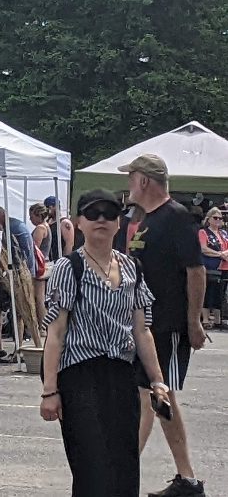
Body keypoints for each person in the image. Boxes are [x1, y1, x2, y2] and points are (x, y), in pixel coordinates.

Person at [41, 189, 169, 497]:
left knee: (124, 463)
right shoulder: (68, 268)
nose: (101, 219)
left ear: (118, 222)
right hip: (80, 376)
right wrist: (49, 390)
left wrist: (158, 381)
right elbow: (55, 333)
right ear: (79, 222)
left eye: (110, 213)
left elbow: (142, 331)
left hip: (122, 374)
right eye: (93, 213)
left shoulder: (132, 268)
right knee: (91, 465)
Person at [123, 154, 207, 496]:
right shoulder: (146, 220)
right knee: (157, 398)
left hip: (167, 323)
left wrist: (193, 322)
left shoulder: (176, 217)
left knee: (153, 396)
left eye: (131, 177)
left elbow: (196, 270)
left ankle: (121, 474)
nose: (128, 184)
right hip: (143, 323)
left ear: (144, 180)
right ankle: (187, 480)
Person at [0, 206, 37, 362]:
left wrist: (10, 271)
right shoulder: (14, 226)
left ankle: (18, 350)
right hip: (17, 274)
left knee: (18, 312)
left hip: (18, 276)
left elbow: (19, 255)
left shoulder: (13, 229)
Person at [198, 207, 228, 330]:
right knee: (207, 292)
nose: (218, 220)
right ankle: (205, 319)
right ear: (208, 219)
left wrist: (224, 253)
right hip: (210, 266)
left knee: (220, 293)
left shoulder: (224, 234)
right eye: (215, 218)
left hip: (224, 267)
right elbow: (203, 249)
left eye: (220, 218)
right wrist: (219, 254)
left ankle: (218, 319)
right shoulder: (203, 232)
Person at [30, 203, 51, 332]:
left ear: (38, 215)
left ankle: (43, 326)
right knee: (40, 297)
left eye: (32, 216)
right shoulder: (46, 226)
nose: (30, 219)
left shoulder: (40, 228)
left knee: (39, 298)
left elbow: (34, 248)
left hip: (40, 265)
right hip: (45, 263)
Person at [44, 196, 75, 261]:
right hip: (50, 260)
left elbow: (69, 244)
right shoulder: (48, 222)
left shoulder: (64, 222)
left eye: (49, 207)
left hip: (61, 259)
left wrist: (64, 261)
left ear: (55, 207)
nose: (47, 210)